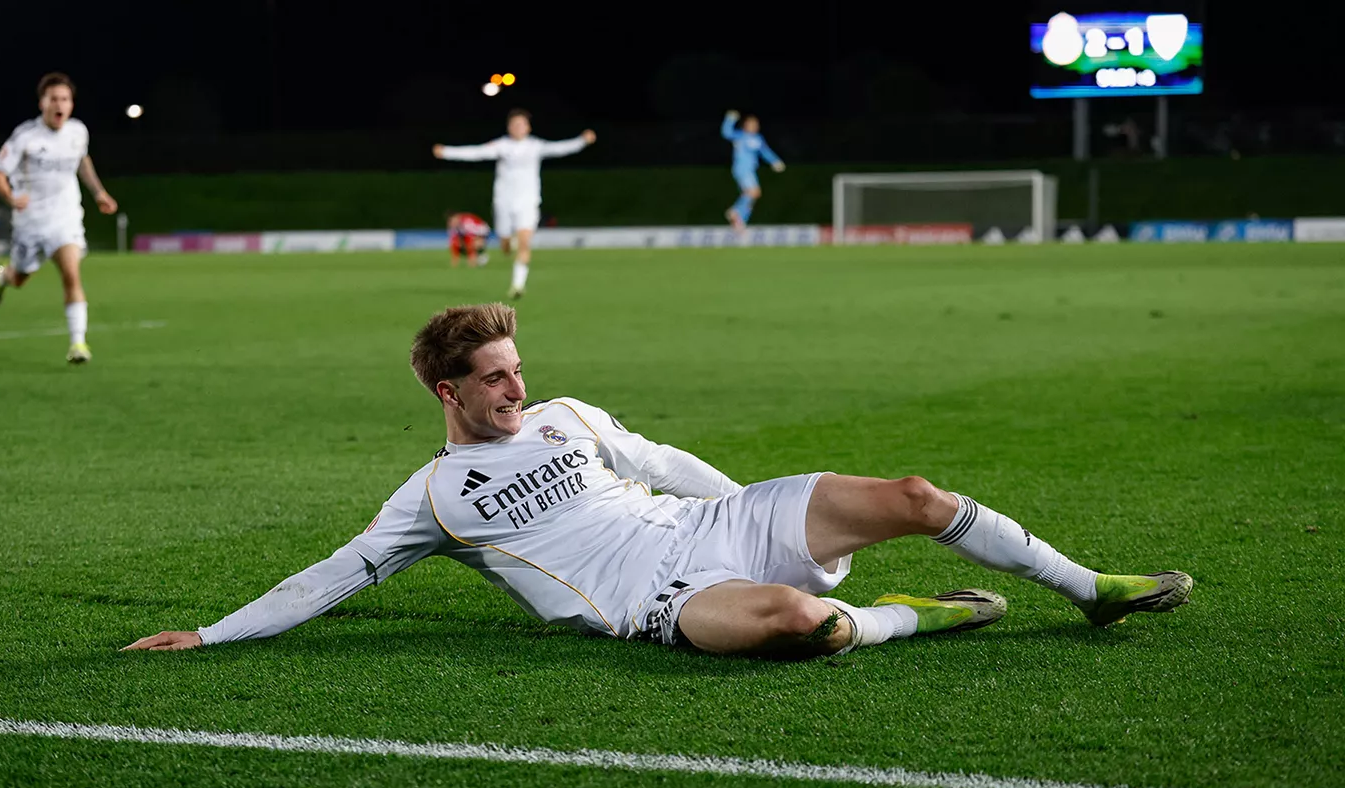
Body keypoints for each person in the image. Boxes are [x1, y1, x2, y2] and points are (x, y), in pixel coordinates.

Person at [126, 303, 1193, 656]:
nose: (517, 385)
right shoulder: (433, 500)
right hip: (660, 599)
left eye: (516, 367)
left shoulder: (565, 414)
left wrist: (748, 507)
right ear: (447, 393)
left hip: (716, 524)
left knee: (912, 494)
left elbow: (661, 463)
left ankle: (1090, 587)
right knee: (807, 627)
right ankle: (914, 617)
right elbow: (333, 576)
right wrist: (211, 634)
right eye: (495, 378)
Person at [0, 72, 118, 365]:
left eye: (65, 99)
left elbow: (82, 160)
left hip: (66, 218)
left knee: (71, 273)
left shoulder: (77, 132)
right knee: (20, 277)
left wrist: (99, 192)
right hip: (30, 222)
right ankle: (3, 277)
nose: (60, 104)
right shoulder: (26, 136)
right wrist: (10, 197)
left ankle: (78, 343)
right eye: (54, 99)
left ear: (71, 104)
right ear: (42, 103)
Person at [432, 110, 595, 299]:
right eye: (515, 124)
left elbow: (560, 148)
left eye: (522, 124)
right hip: (503, 202)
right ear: (509, 127)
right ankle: (508, 242)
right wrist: (446, 152)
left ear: (528, 127)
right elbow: (476, 152)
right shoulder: (502, 145)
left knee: (525, 243)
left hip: (528, 202)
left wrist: (582, 141)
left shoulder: (535, 146)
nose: (518, 127)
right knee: (506, 245)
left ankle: (517, 286)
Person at [721, 110, 784, 233]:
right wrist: (729, 119)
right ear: (745, 125)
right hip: (742, 169)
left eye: (756, 124)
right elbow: (726, 133)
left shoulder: (758, 138)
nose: (755, 126)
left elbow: (765, 151)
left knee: (749, 198)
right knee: (754, 192)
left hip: (750, 170)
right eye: (751, 124)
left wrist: (775, 161)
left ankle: (740, 222)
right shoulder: (740, 136)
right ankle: (735, 211)